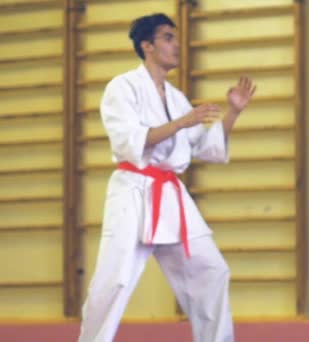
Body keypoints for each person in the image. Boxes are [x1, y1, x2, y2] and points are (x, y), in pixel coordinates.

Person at [78, 13, 255, 342]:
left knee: (211, 272)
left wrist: (233, 112)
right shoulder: (122, 88)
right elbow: (131, 141)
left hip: (170, 196)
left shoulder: (175, 98)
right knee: (114, 280)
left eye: (175, 38)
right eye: (168, 38)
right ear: (147, 45)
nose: (176, 45)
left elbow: (204, 146)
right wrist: (183, 122)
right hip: (133, 191)